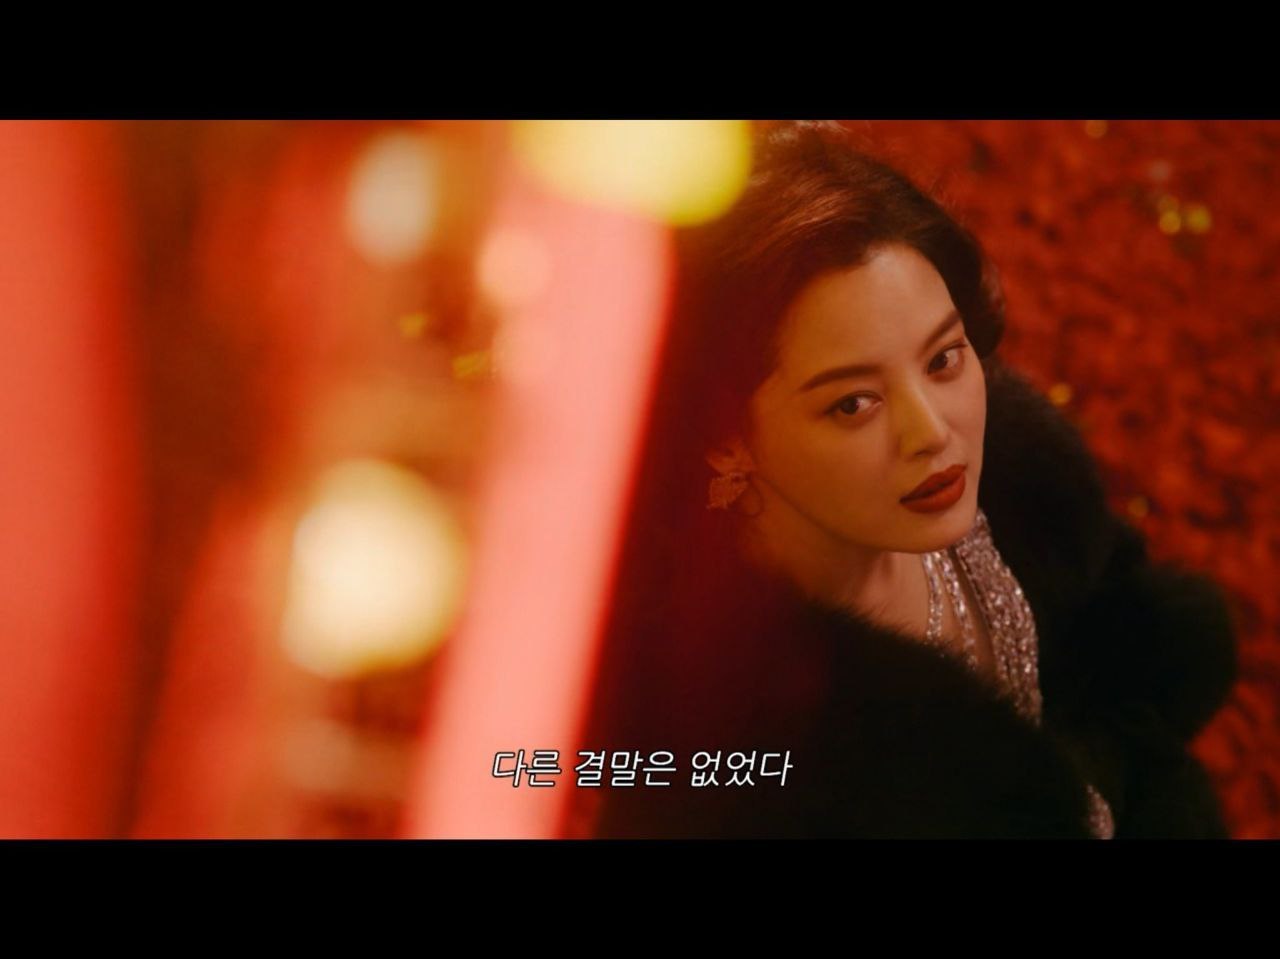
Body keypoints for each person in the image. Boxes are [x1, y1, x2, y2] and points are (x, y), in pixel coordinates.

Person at [578, 120, 1238, 839]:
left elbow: (1117, 661)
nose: (932, 432)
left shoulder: (1027, 487)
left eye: (943, 359)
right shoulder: (705, 732)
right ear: (723, 438)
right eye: (853, 403)